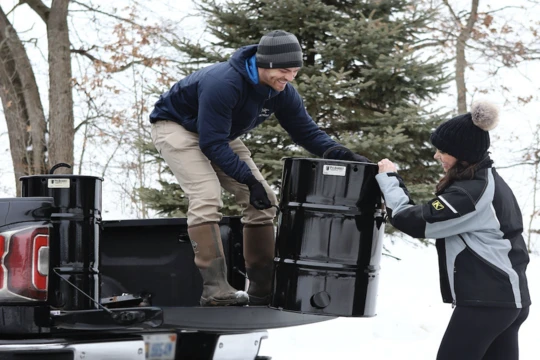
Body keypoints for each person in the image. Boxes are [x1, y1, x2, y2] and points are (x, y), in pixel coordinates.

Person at [149, 30, 368, 306]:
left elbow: (306, 132)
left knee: (264, 201)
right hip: (176, 128)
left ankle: (263, 287)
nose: (289, 78)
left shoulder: (282, 91)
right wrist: (248, 181)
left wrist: (344, 155)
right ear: (267, 64)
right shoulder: (224, 83)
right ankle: (215, 288)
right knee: (206, 195)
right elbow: (212, 144)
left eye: (295, 72)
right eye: (285, 71)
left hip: (219, 134)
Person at [375, 101, 531, 360]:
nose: (437, 155)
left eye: (442, 151)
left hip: (488, 302)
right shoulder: (489, 180)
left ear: (463, 154)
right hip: (508, 301)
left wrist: (389, 180)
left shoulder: (469, 194)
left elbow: (412, 221)